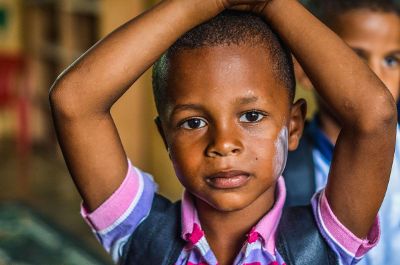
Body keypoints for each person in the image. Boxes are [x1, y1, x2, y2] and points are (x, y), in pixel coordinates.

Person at [49, 0, 397, 264]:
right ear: (165, 137)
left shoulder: (321, 242)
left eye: (251, 115)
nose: (224, 144)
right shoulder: (142, 233)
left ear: (292, 127)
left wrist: (272, 4)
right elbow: (74, 101)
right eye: (193, 122)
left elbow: (374, 116)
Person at [284, 0, 400, 264]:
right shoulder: (281, 173)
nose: (376, 76)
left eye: (391, 60)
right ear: (305, 69)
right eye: (356, 57)